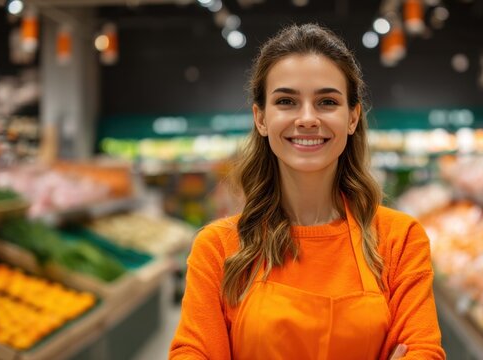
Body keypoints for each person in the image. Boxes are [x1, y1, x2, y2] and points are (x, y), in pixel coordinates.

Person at [169, 23, 445, 360]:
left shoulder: (400, 240)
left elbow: (423, 352)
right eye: (286, 101)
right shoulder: (217, 249)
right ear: (261, 119)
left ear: (353, 117)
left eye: (327, 101)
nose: (307, 119)